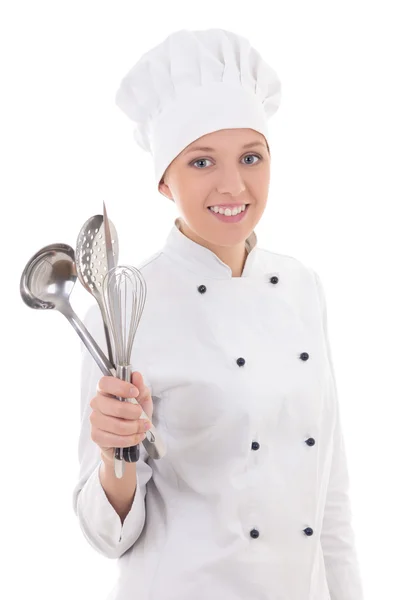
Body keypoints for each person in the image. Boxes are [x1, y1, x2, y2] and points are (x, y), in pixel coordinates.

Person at [72, 28, 364, 600]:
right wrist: (115, 456)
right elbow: (107, 536)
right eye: (202, 161)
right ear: (164, 180)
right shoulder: (126, 302)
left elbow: (330, 495)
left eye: (250, 157)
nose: (233, 185)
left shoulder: (304, 287)